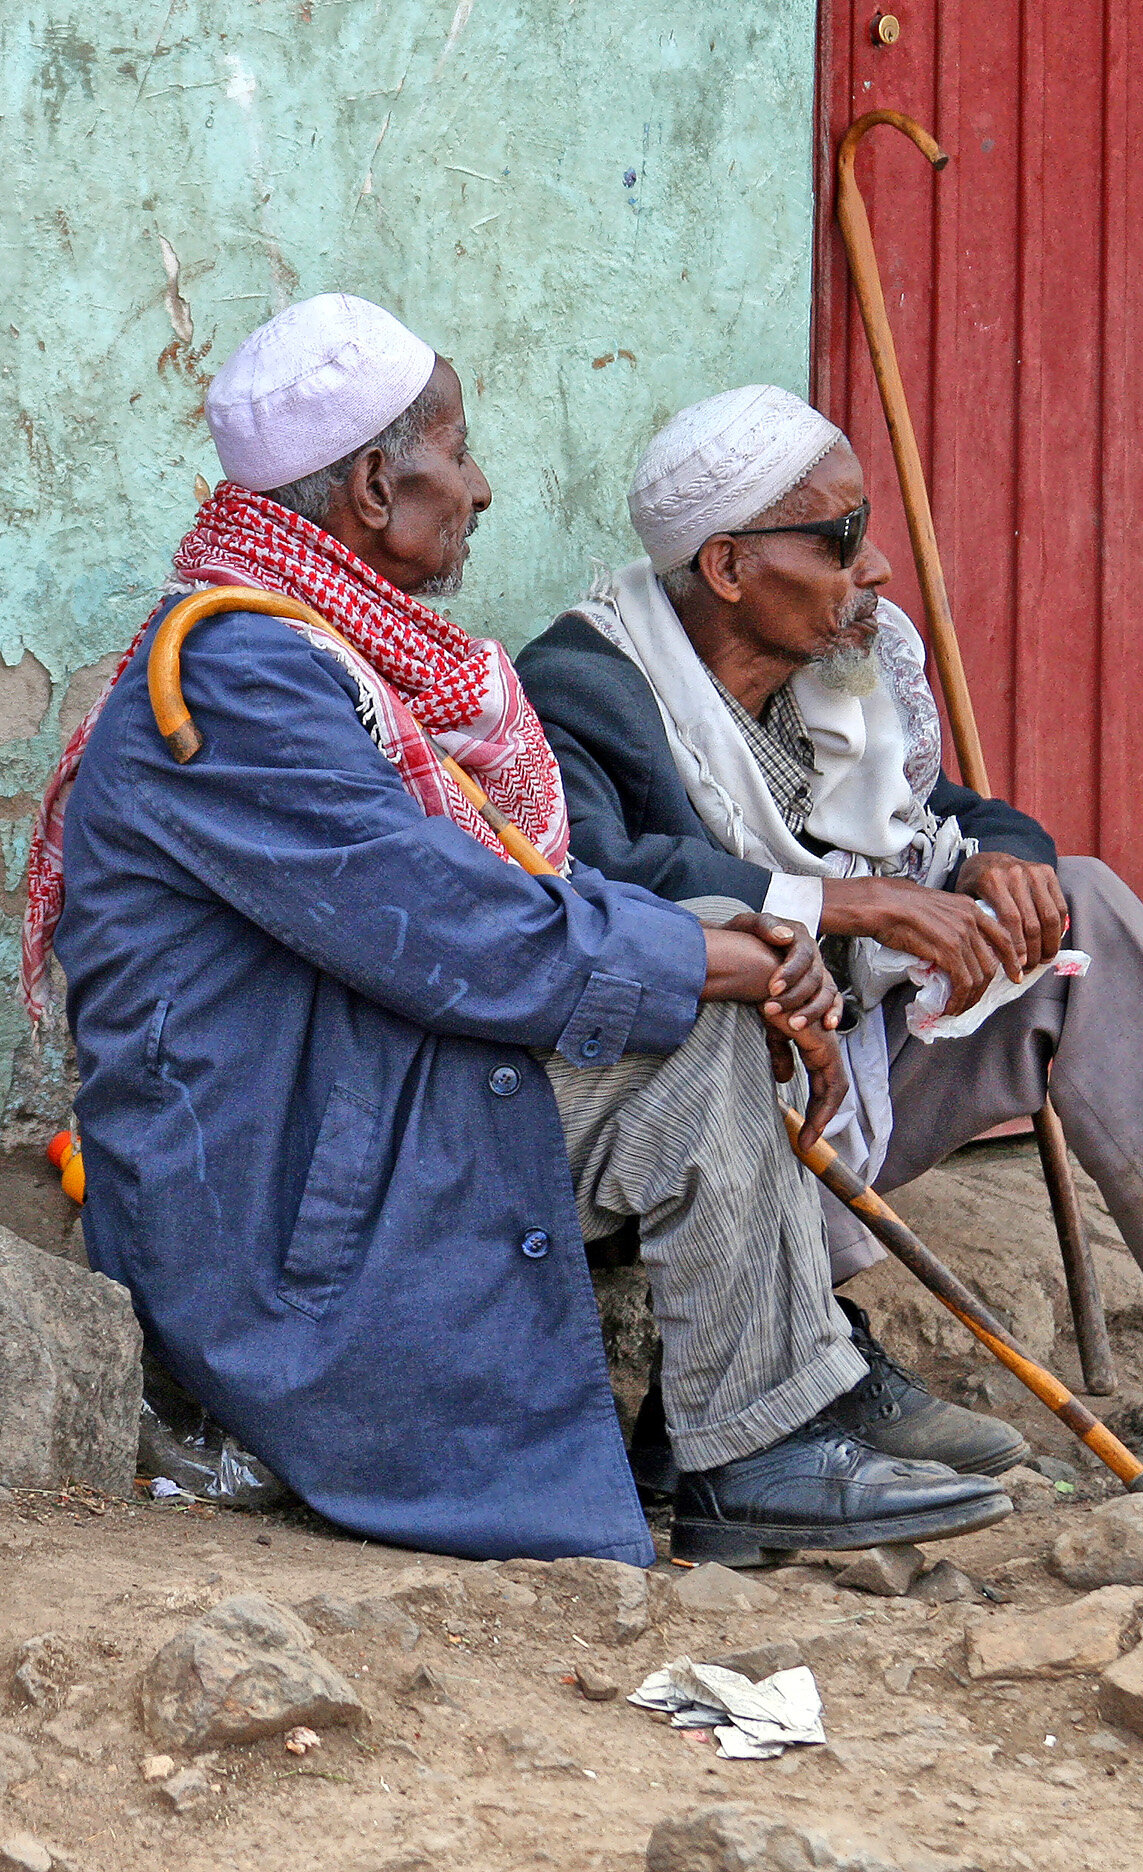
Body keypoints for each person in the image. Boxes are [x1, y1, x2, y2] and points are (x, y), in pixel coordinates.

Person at [26, 302, 1013, 1568]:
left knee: (703, 937)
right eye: (459, 447)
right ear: (380, 484)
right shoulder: (235, 676)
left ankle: (758, 1415)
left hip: (349, 1086)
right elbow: (447, 926)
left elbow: (473, 904)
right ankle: (756, 1445)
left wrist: (727, 940)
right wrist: (721, 956)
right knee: (694, 1003)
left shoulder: (311, 652)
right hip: (275, 1185)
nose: (483, 486)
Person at [515, 383, 1143, 1469]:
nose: (874, 570)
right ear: (729, 568)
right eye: (841, 542)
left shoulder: (837, 674)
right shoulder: (583, 683)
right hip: (696, 1101)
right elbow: (589, 869)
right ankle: (800, 1361)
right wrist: (835, 900)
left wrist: (1002, 858)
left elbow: (940, 818)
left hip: (849, 1053)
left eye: (869, 530)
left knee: (1083, 900)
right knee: (753, 1000)